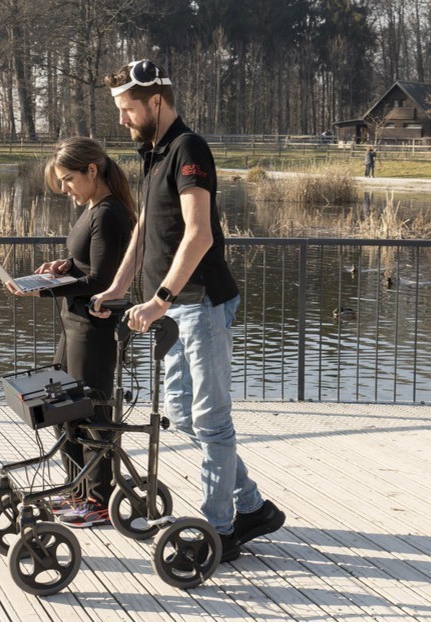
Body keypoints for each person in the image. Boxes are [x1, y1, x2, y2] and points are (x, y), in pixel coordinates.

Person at [89, 59, 284, 562]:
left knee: (212, 421)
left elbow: (199, 234)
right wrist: (119, 287)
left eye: (127, 109)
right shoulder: (154, 153)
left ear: (156, 101)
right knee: (183, 414)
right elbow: (145, 232)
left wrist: (160, 300)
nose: (122, 119)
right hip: (172, 308)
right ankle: (252, 507)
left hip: (198, 302)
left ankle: (218, 532)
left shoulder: (189, 149)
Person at [8, 136, 135, 528]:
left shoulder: (110, 213)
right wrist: (63, 266)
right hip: (74, 325)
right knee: (66, 410)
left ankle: (98, 500)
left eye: (67, 180)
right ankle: (77, 489)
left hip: (94, 331)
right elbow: (87, 265)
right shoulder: (94, 208)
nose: (64, 189)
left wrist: (43, 286)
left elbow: (102, 279)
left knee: (92, 412)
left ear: (91, 171)